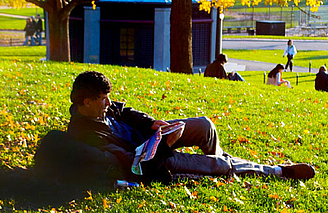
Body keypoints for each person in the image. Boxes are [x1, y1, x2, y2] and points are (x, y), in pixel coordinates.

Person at [67, 71, 313, 183]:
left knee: (205, 126)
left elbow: (126, 112)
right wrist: (164, 146)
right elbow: (134, 167)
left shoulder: (103, 107)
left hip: (153, 138)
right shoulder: (86, 136)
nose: (109, 103)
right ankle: (278, 171)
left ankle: (224, 165)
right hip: (156, 160)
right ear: (87, 102)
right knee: (220, 164)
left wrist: (153, 124)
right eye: (102, 99)